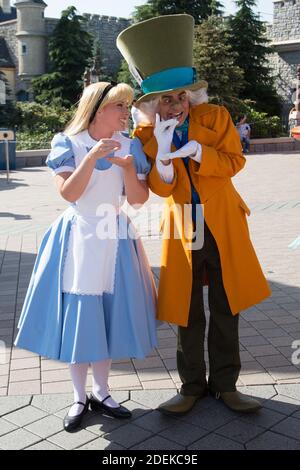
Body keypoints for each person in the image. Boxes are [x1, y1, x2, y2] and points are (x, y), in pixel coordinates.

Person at [117, 14, 271, 415]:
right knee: (187, 310)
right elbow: (159, 189)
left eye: (181, 96)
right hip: (183, 229)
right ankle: (190, 387)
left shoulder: (215, 118)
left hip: (224, 223)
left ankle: (226, 384)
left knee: (226, 304)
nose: (175, 105)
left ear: (191, 96)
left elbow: (235, 162)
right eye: (165, 99)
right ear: (152, 104)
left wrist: (199, 151)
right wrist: (164, 157)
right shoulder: (146, 137)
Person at [14, 81, 157, 431]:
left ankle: (102, 392)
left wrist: (125, 168)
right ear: (97, 109)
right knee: (82, 317)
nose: (127, 113)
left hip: (116, 237)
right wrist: (92, 158)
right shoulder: (70, 143)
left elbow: (139, 200)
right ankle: (80, 396)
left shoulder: (131, 145)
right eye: (120, 106)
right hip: (79, 238)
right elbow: (70, 193)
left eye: (127, 106)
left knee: (106, 315)